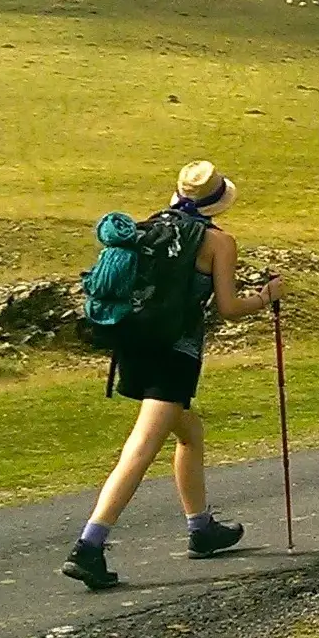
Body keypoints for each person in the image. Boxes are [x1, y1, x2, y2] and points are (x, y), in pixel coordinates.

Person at [63, 161, 285, 590]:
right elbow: (229, 308)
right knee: (142, 446)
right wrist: (265, 297)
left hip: (133, 347)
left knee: (190, 432)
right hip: (174, 354)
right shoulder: (218, 242)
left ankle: (202, 528)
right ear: (218, 202)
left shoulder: (149, 230)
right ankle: (89, 546)